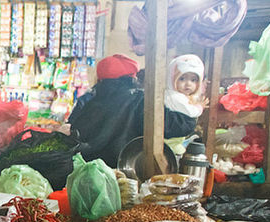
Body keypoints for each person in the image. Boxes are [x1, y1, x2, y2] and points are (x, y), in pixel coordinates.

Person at [67, 54, 204, 168]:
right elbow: (169, 127)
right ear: (132, 77)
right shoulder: (139, 99)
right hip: (124, 166)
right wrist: (191, 115)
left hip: (90, 166)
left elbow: (74, 130)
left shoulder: (90, 99)